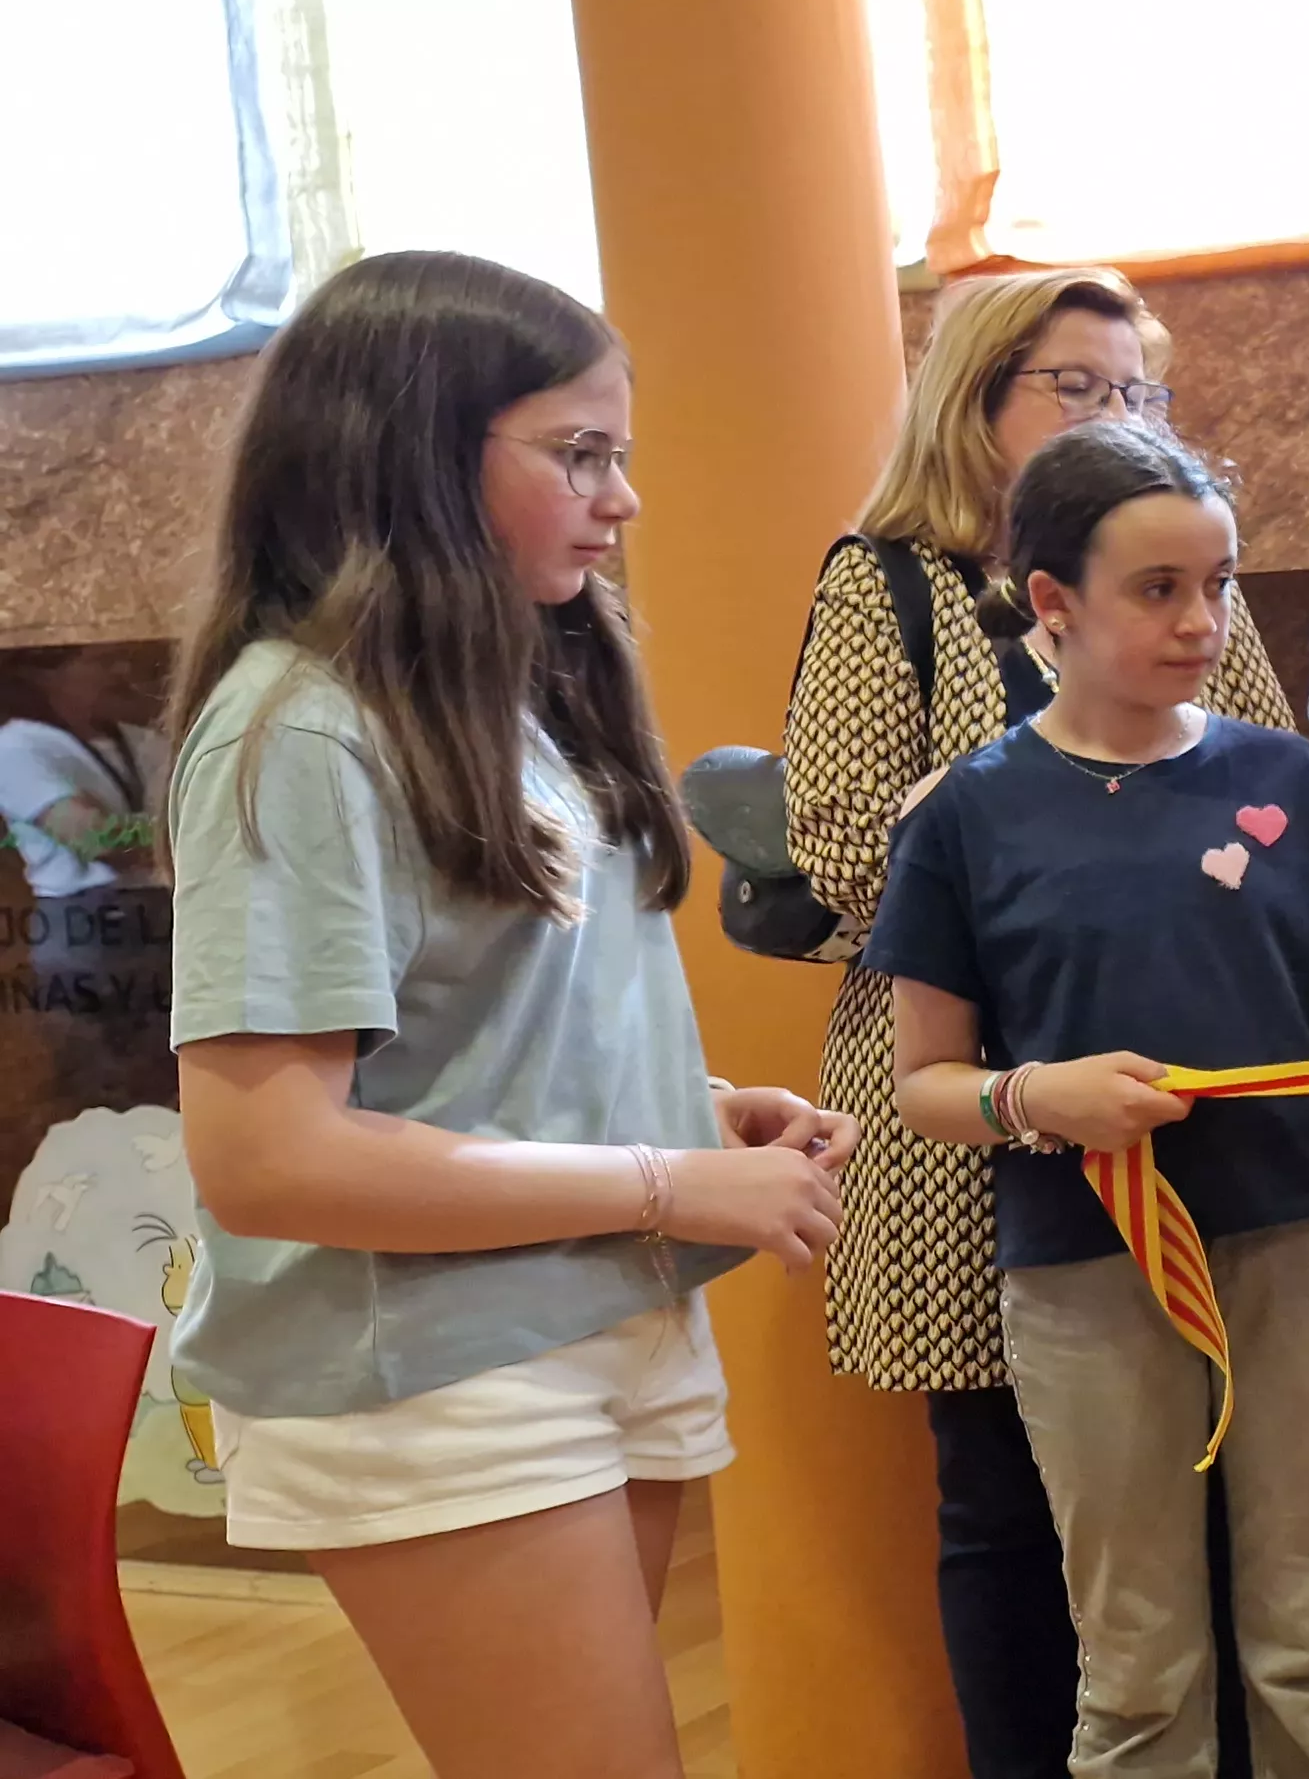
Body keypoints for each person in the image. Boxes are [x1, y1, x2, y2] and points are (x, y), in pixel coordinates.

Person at [163, 250, 856, 1779]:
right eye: (579, 455)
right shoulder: (301, 733)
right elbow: (271, 1160)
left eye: (621, 455)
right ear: (414, 450)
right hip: (428, 1361)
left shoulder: (517, 685)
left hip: (594, 1306)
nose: (623, 502)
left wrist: (692, 1108)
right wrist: (673, 1181)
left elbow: (471, 1038)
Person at [869, 422, 1309, 1775]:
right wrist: (1041, 1097)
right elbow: (924, 1085)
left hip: (1307, 1243)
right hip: (1091, 1268)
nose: (1202, 621)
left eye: (1217, 584)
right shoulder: (970, 815)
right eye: (1159, 590)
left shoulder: (1287, 779)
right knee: (1139, 1660)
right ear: (1052, 604)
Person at [782, 267, 1298, 1778]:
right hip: (973, 1104)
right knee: (1008, 1510)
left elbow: (1268, 778)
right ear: (975, 397)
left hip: (1174, 1088)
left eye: (1137, 391)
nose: (1112, 415)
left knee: (1203, 1484)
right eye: (1073, 386)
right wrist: (1038, 785)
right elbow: (832, 848)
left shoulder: (1187, 575)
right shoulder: (892, 582)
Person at [0, 644, 166, 895]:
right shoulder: (16, 745)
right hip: (82, 920)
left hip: (157, 909)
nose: (122, 670)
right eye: (103, 660)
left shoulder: (143, 740)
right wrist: (174, 833)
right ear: (46, 676)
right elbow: (95, 839)